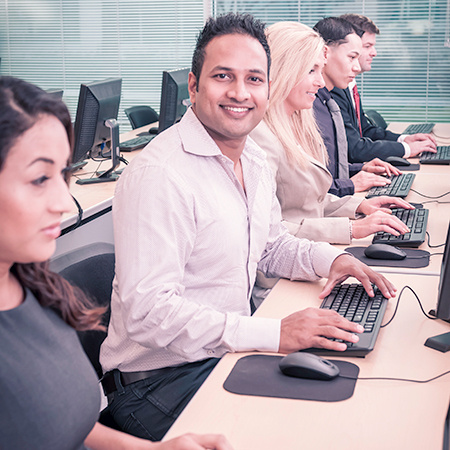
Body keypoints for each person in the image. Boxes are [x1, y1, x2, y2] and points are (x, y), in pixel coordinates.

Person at [99, 12, 397, 442]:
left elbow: (271, 245)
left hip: (218, 355)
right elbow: (150, 313)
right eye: (224, 76)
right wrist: (274, 333)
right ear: (195, 85)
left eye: (254, 79)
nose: (240, 93)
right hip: (157, 382)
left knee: (352, 401)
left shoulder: (253, 161)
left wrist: (334, 259)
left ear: (268, 87)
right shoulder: (160, 175)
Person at [0, 76, 232, 450]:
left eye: (63, 174)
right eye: (40, 178)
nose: (62, 202)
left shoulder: (35, 290)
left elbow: (67, 423)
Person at [250, 21, 412, 245]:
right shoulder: (259, 137)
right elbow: (272, 231)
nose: (319, 82)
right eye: (311, 70)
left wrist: (358, 206)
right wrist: (352, 228)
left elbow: (308, 201)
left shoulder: (296, 121)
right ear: (284, 70)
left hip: (311, 249)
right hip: (281, 272)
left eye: (320, 69)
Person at [317, 15, 437, 163]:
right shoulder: (329, 92)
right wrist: (406, 149)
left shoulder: (344, 85)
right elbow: (352, 149)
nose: (374, 52)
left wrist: (403, 140)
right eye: (366, 47)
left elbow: (363, 130)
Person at [312, 17, 402, 198]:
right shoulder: (312, 105)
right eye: (352, 57)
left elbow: (327, 169)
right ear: (325, 53)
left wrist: (360, 168)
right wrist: (350, 184)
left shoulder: (326, 101)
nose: (356, 66)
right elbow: (309, 189)